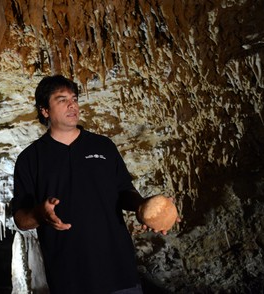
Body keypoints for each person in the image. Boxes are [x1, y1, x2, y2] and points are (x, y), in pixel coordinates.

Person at [11, 75, 170, 294]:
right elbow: (20, 218)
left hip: (118, 271)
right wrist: (40, 215)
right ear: (44, 110)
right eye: (61, 99)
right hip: (69, 278)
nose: (72, 105)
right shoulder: (30, 159)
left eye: (74, 99)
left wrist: (143, 206)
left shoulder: (103, 146)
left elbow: (124, 190)